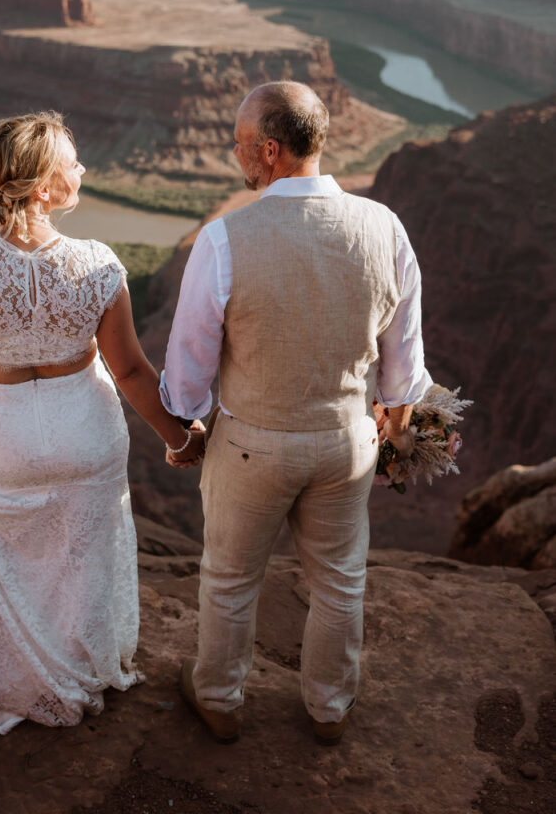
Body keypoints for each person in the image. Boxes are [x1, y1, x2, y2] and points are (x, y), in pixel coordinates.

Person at [0, 111, 203, 733]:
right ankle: (81, 672)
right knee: (85, 559)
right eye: (71, 163)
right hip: (85, 428)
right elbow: (133, 370)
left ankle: (25, 674)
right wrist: (177, 437)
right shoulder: (97, 264)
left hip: (8, 436)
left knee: (19, 553)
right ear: (43, 188)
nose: (81, 170)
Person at [160, 81, 430, 745]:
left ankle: (220, 700)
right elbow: (403, 368)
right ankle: (327, 708)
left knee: (228, 580)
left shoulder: (224, 240)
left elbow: (189, 365)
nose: (235, 153)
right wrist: (393, 433)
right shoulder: (384, 227)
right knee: (339, 582)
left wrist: (186, 427)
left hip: (251, 444)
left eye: (241, 144)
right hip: (345, 441)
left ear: (272, 151)